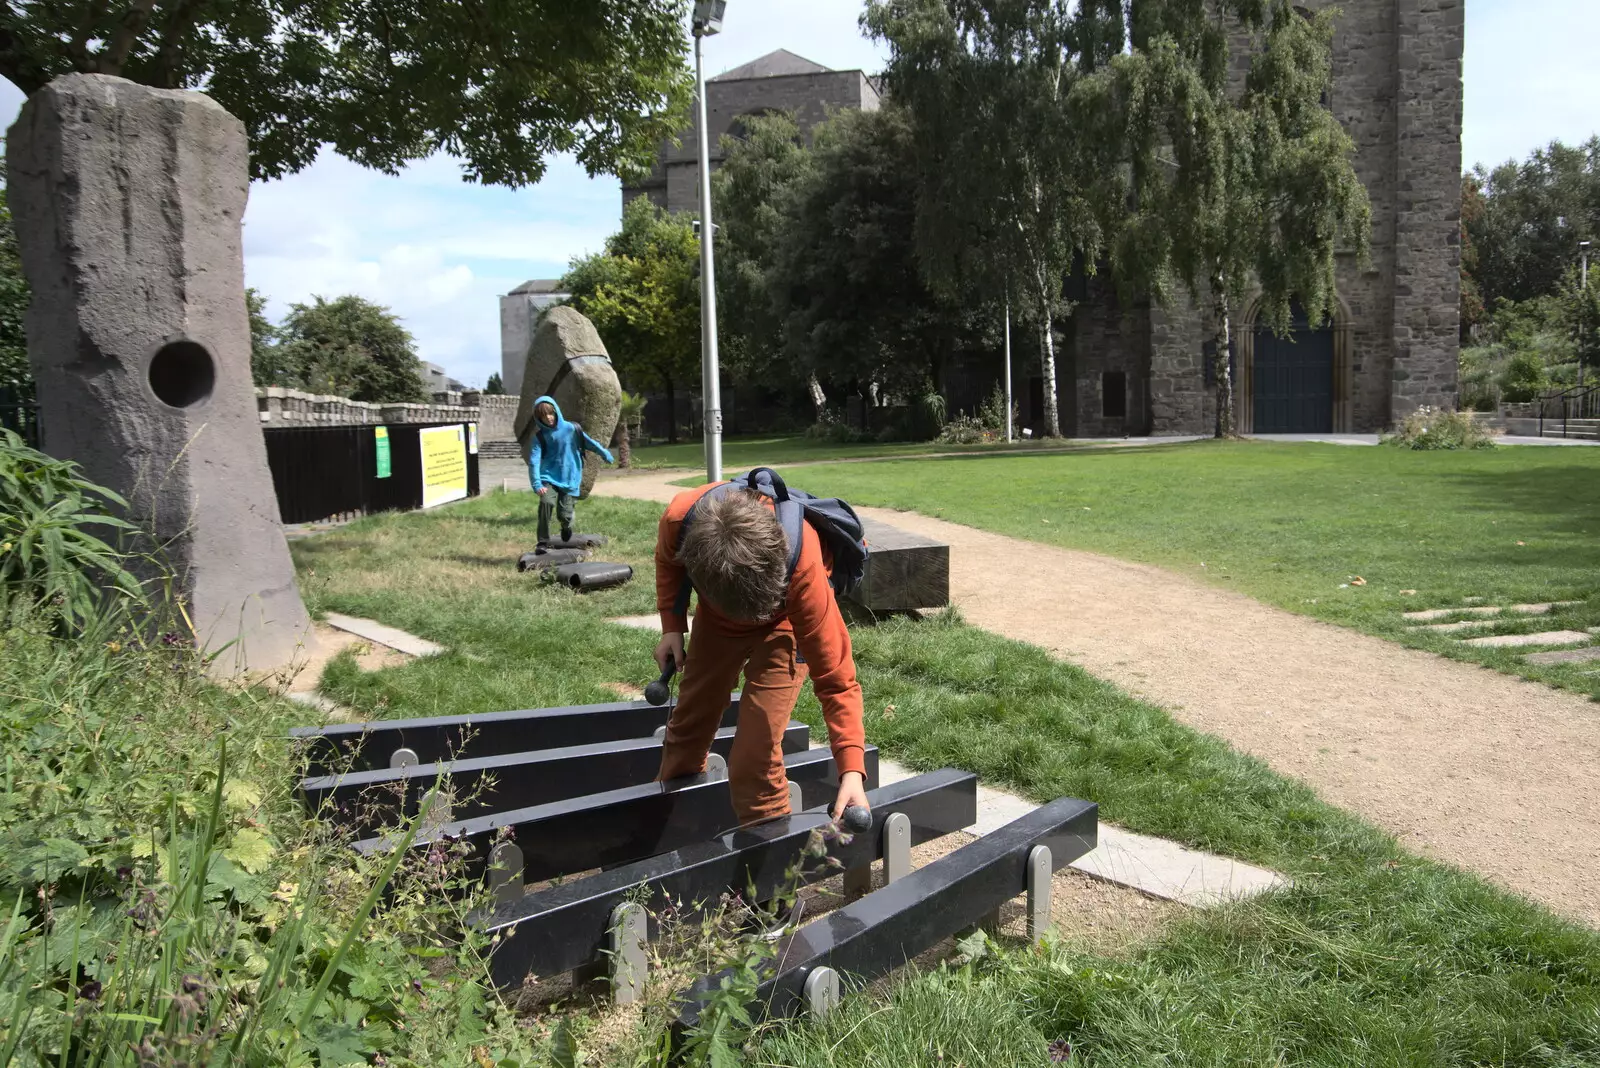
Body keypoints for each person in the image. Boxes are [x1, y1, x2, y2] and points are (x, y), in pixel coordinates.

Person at [652, 484, 870, 831]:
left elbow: (836, 680)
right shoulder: (682, 518)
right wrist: (672, 626)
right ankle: (671, 837)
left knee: (755, 757)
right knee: (686, 728)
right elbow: (667, 561)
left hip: (784, 618)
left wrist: (852, 770)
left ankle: (766, 865)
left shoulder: (804, 571)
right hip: (717, 615)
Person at [526, 395, 613, 544]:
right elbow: (534, 461)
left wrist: (604, 453)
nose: (548, 418)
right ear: (538, 418)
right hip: (549, 477)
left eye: (550, 413)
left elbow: (589, 443)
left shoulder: (571, 429)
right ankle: (542, 541)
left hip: (570, 477)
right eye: (543, 415)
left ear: (556, 411)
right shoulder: (539, 437)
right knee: (546, 503)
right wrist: (537, 484)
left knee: (565, 515)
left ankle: (566, 526)